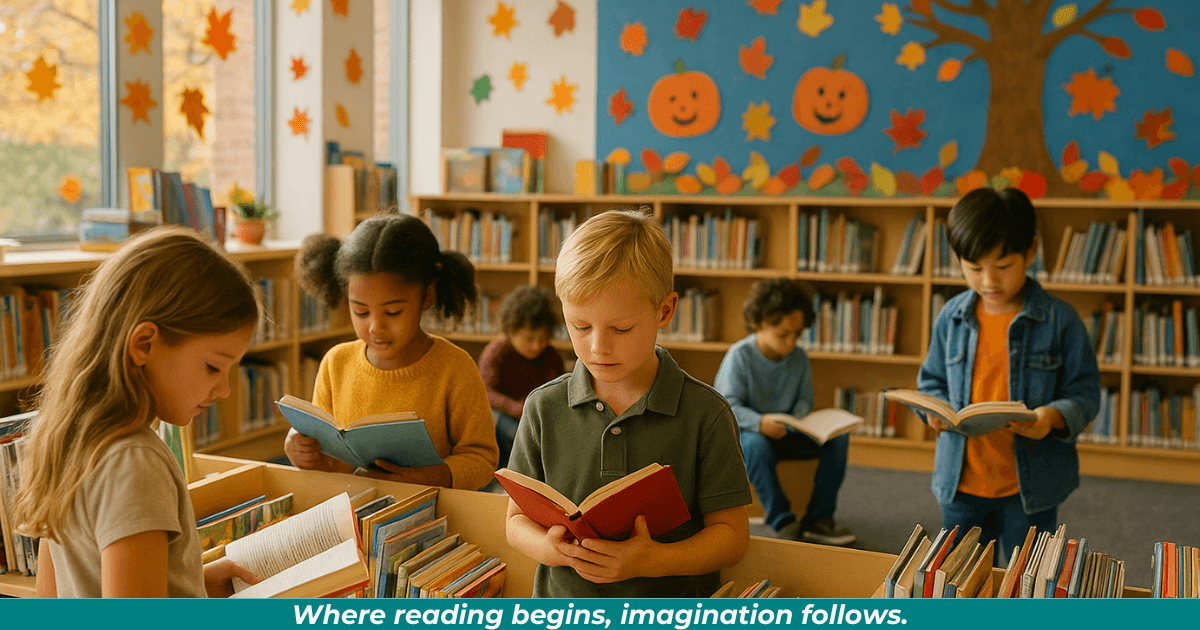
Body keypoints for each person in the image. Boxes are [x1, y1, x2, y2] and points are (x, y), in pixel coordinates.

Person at [505, 209, 751, 597]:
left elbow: (732, 537)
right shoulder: (542, 407)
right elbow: (516, 520)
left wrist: (651, 561)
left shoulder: (706, 414)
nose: (597, 347)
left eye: (621, 328)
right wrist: (549, 549)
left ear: (664, 311)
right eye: (580, 326)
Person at [14, 227, 261, 597]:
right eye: (213, 367)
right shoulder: (136, 462)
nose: (224, 390)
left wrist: (193, 584)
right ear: (144, 344)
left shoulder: (69, 436)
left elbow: (56, 602)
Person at [918, 187, 1100, 565]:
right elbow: (931, 380)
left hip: (1029, 489)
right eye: (973, 268)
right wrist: (931, 411)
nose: (988, 281)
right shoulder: (951, 316)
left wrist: (1051, 417)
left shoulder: (1060, 320)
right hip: (961, 484)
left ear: (1030, 252)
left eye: (1002, 267)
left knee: (1027, 582)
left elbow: (1085, 392)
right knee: (957, 579)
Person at [284, 214, 499, 490]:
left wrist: (437, 475)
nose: (376, 327)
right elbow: (329, 456)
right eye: (360, 311)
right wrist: (303, 450)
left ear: (427, 297)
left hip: (433, 514)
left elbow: (483, 459)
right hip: (355, 512)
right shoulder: (335, 363)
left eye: (393, 311)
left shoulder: (454, 367)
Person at [713, 278, 856, 546]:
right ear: (759, 324)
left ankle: (819, 519)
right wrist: (760, 422)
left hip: (788, 432)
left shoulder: (799, 357)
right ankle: (782, 520)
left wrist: (797, 421)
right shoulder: (739, 356)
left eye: (797, 334)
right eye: (783, 334)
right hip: (749, 435)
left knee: (838, 439)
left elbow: (804, 402)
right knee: (756, 445)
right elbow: (726, 406)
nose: (791, 342)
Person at [478, 285, 565, 469]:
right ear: (511, 331)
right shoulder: (497, 352)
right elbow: (484, 392)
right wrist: (517, 407)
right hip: (506, 421)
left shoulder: (551, 356)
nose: (536, 346)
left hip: (537, 420)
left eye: (543, 339)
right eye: (529, 338)